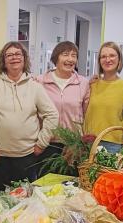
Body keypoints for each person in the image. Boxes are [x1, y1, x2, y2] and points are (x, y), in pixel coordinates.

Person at [0, 41, 59, 193]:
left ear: (24, 58)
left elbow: (52, 115)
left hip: (27, 155)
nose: (14, 58)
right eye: (9, 55)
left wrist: (41, 143)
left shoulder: (35, 86)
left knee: (24, 199)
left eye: (18, 54)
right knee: (1, 198)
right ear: (4, 60)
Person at [35, 41, 90, 173]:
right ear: (56, 58)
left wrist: (82, 142)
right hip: (47, 143)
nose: (70, 59)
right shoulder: (40, 81)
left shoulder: (83, 83)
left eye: (74, 55)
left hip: (73, 145)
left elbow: (87, 113)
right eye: (65, 54)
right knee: (46, 185)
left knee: (71, 186)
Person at [84, 41, 123, 153]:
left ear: (119, 59)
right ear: (99, 61)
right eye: (103, 56)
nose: (107, 59)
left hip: (113, 144)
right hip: (89, 142)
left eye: (112, 55)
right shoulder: (92, 84)